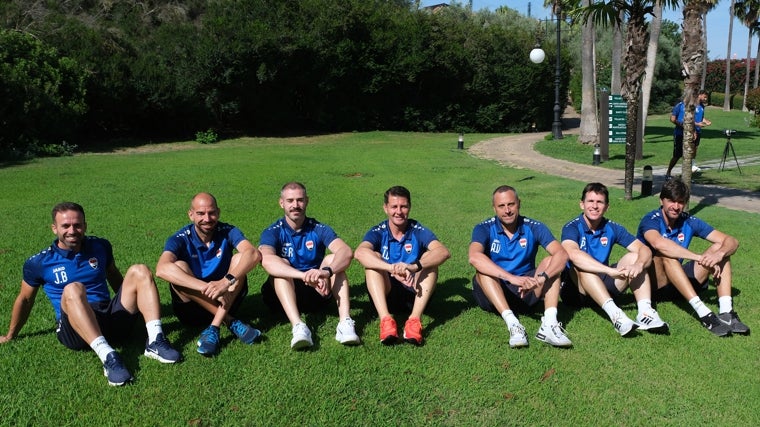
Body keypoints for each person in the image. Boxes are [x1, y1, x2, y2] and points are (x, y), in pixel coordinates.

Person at [0, 202, 181, 386]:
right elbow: (25, 299)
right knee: (73, 288)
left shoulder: (100, 246)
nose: (72, 230)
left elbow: (114, 276)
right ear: (54, 228)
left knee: (140, 270)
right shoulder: (39, 262)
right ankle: (108, 356)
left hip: (109, 318)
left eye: (77, 225)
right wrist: (11, 334)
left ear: (85, 225)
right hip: (75, 329)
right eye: (65, 226)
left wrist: (137, 307)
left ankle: (155, 340)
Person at [637, 178, 749, 337]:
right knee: (667, 254)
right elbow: (658, 244)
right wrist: (698, 257)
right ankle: (704, 313)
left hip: (679, 280)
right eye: (671, 201)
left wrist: (719, 254)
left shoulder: (688, 220)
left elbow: (732, 241)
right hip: (655, 286)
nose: (676, 207)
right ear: (661, 200)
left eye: (681, 202)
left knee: (720, 247)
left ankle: (726, 312)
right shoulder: (651, 220)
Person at [156, 192, 262, 356]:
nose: (207, 218)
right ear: (191, 215)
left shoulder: (227, 230)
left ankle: (214, 327)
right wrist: (208, 288)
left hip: (227, 299)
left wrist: (225, 282)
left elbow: (254, 254)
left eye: (211, 213)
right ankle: (230, 321)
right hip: (193, 309)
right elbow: (161, 269)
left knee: (240, 258)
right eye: (200, 213)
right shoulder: (180, 238)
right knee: (178, 267)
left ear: (218, 213)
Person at [259, 182, 360, 350]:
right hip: (283, 294)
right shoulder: (273, 231)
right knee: (280, 266)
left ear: (307, 201)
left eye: (300, 200)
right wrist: (303, 275)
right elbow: (266, 260)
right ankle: (299, 327)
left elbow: (346, 252)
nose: (295, 205)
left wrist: (325, 272)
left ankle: (345, 323)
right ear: (281, 203)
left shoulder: (319, 228)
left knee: (333, 260)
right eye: (290, 200)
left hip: (317, 292)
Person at [468, 185, 572, 348]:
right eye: (501, 206)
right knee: (482, 271)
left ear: (519, 203)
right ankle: (513, 324)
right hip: (495, 291)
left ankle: (549, 324)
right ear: (494, 208)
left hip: (527, 290)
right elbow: (474, 257)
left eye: (511, 204)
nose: (507, 210)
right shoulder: (484, 228)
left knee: (551, 261)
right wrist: (511, 278)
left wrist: (541, 279)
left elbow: (562, 254)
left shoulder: (534, 226)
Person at [560, 183, 668, 337]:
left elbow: (644, 249)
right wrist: (610, 271)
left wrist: (639, 264)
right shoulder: (571, 227)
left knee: (635, 257)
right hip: (576, 291)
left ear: (607, 207)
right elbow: (573, 254)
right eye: (590, 201)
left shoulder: (612, 227)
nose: (595, 206)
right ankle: (617, 316)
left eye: (600, 202)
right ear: (582, 204)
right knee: (582, 266)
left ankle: (645, 313)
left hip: (603, 284)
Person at [354, 185, 450, 346]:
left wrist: (413, 267)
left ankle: (414, 321)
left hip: (415, 294)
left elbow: (443, 252)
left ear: (409, 207)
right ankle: (386, 320)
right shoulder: (378, 231)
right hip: (386, 294)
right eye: (394, 207)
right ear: (385, 208)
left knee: (429, 259)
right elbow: (359, 253)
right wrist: (390, 268)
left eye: (403, 206)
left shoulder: (417, 229)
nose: (399, 211)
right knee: (373, 259)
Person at [666, 89, 712, 178]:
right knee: (677, 155)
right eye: (705, 97)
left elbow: (698, 118)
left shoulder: (701, 106)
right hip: (680, 133)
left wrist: (705, 121)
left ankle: (687, 174)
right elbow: (676, 119)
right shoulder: (682, 106)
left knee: (692, 153)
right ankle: (668, 172)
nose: (706, 99)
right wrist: (693, 125)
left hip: (696, 132)